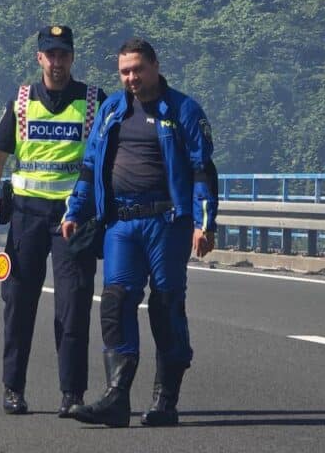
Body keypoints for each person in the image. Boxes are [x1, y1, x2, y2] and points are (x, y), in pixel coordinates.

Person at [61, 37, 218, 428]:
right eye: (124, 71)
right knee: (115, 303)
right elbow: (90, 163)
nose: (131, 78)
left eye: (137, 69)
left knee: (165, 306)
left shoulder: (183, 110)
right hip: (120, 223)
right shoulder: (112, 108)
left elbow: (203, 170)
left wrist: (204, 223)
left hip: (167, 223)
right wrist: (75, 209)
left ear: (154, 66)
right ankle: (116, 399)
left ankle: (165, 402)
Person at [0, 25, 106, 417]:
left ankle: (73, 395)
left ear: (72, 57)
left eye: (63, 54)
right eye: (50, 54)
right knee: (18, 304)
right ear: (39, 58)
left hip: (73, 219)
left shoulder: (94, 100)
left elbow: (110, 156)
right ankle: (13, 388)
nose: (57, 61)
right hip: (27, 216)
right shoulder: (20, 101)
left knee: (74, 305)